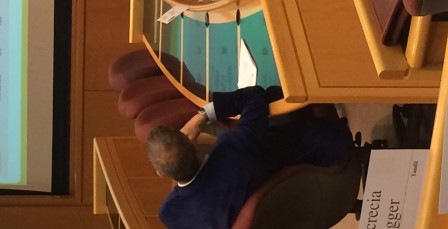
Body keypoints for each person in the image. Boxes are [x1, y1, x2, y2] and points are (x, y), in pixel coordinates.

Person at [146, 86, 352, 229]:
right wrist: (199, 118)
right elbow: (254, 96)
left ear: (161, 173)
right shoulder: (232, 149)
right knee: (275, 94)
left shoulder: (169, 214)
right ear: (193, 143)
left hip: (286, 206)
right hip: (325, 157)